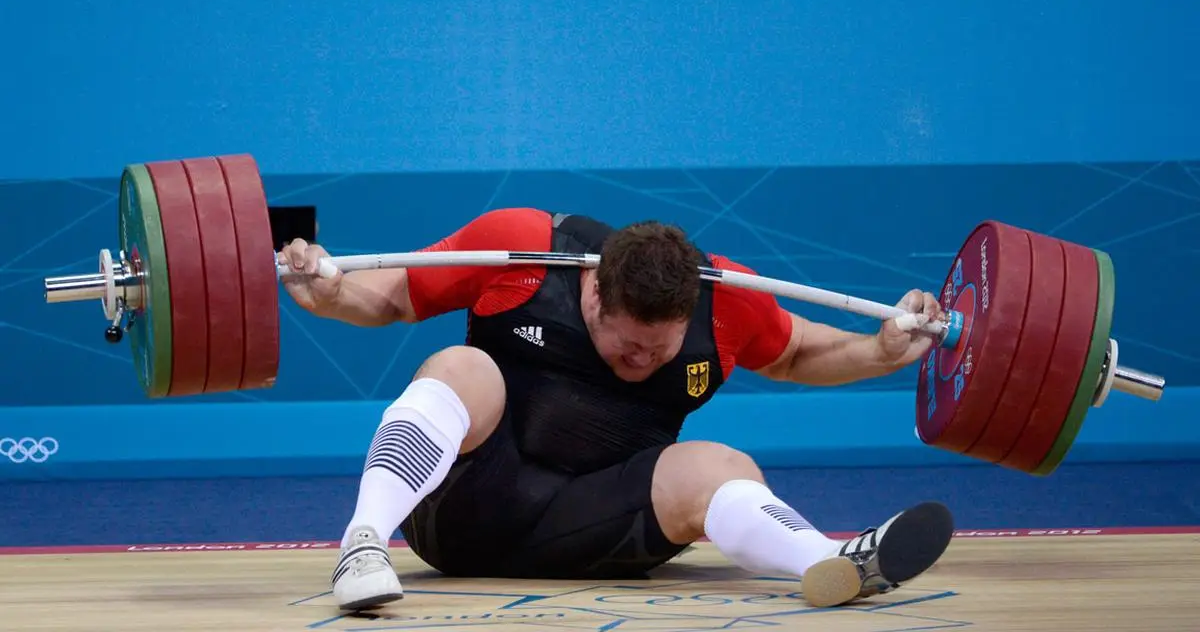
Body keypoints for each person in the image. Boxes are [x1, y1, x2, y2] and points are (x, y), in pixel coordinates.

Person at [277, 208, 955, 612]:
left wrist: (880, 350)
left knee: (720, 464)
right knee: (462, 367)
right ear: (594, 291)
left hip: (600, 527)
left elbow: (796, 352)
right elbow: (394, 293)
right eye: (628, 344)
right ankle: (363, 544)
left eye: (658, 351)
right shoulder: (522, 247)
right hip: (462, 511)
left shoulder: (727, 299)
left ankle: (831, 561)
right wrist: (330, 292)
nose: (640, 360)